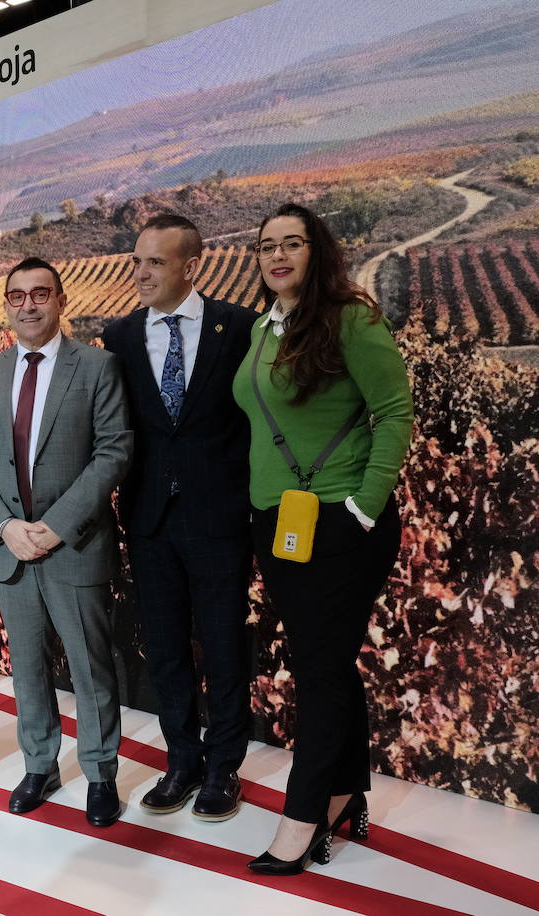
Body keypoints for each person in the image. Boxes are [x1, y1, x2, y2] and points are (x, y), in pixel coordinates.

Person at [233, 203, 412, 875]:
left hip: (339, 525)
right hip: (279, 525)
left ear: (318, 251)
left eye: (293, 244)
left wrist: (361, 510)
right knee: (327, 662)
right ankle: (346, 792)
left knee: (317, 670)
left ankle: (302, 815)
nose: (278, 256)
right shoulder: (262, 329)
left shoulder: (350, 318)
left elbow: (395, 413)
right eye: (266, 246)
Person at [0, 256, 133, 827]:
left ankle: (101, 771)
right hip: (11, 550)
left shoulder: (97, 367)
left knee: (90, 667)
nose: (28, 304)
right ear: (6, 304)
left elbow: (113, 451)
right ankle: (39, 764)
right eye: (17, 295)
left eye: (40, 294)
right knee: (28, 669)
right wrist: (6, 527)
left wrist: (57, 526)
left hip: (74, 546)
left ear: (60, 301)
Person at [100, 214, 258, 822]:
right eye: (136, 260)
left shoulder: (237, 328)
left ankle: (224, 768)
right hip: (148, 520)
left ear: (191, 266)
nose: (140, 272)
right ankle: (182, 762)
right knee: (164, 648)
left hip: (218, 517)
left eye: (155, 262)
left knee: (222, 647)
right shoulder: (118, 336)